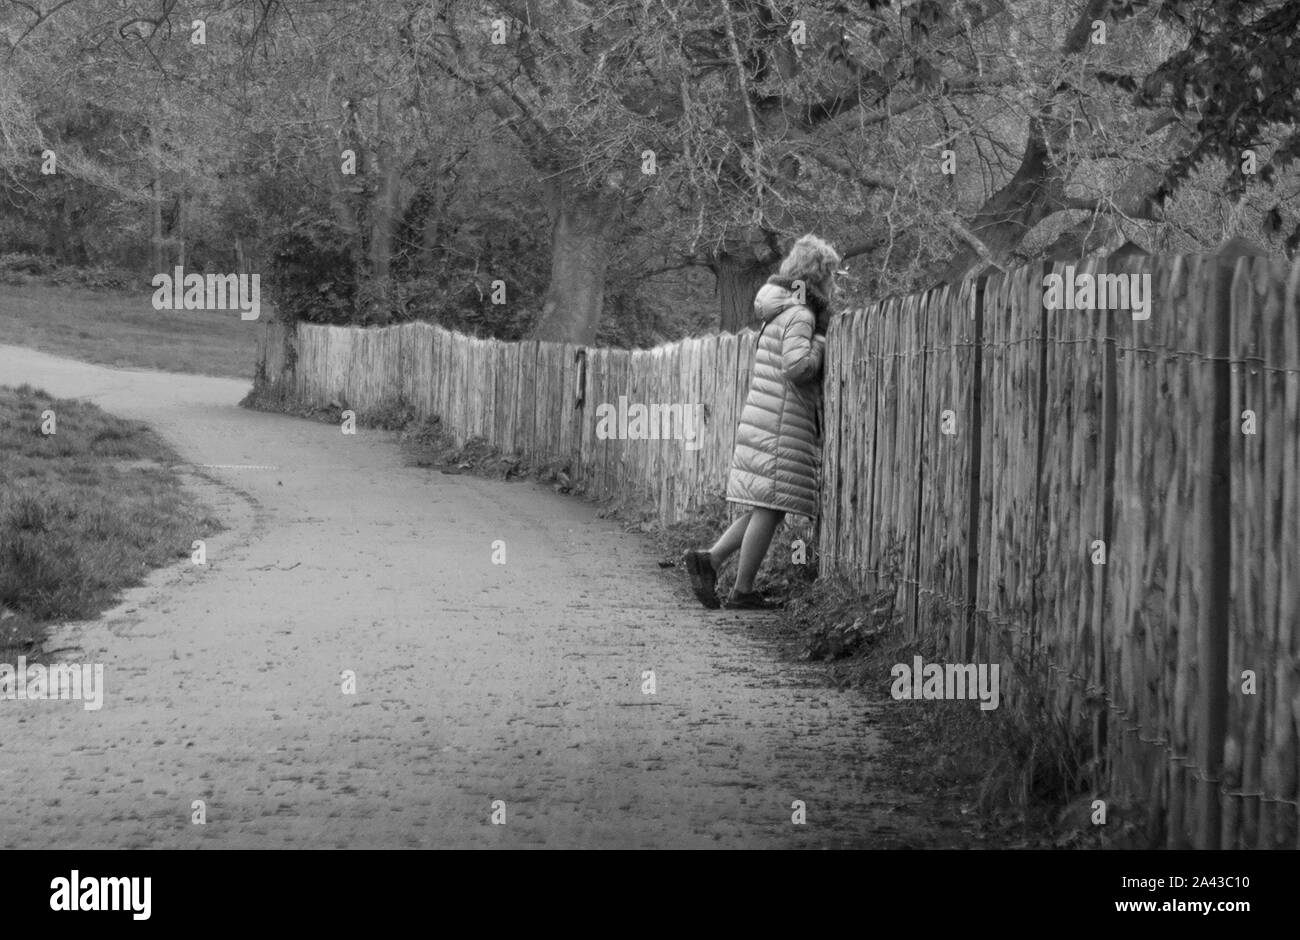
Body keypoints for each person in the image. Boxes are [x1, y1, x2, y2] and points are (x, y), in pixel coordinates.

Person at [685, 234, 839, 610]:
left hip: (771, 416)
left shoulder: (781, 310)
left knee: (764, 505)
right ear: (819, 275)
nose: (835, 281)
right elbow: (797, 367)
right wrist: (821, 342)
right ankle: (742, 591)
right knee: (769, 508)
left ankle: (711, 560)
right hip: (781, 421)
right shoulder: (802, 315)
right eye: (833, 273)